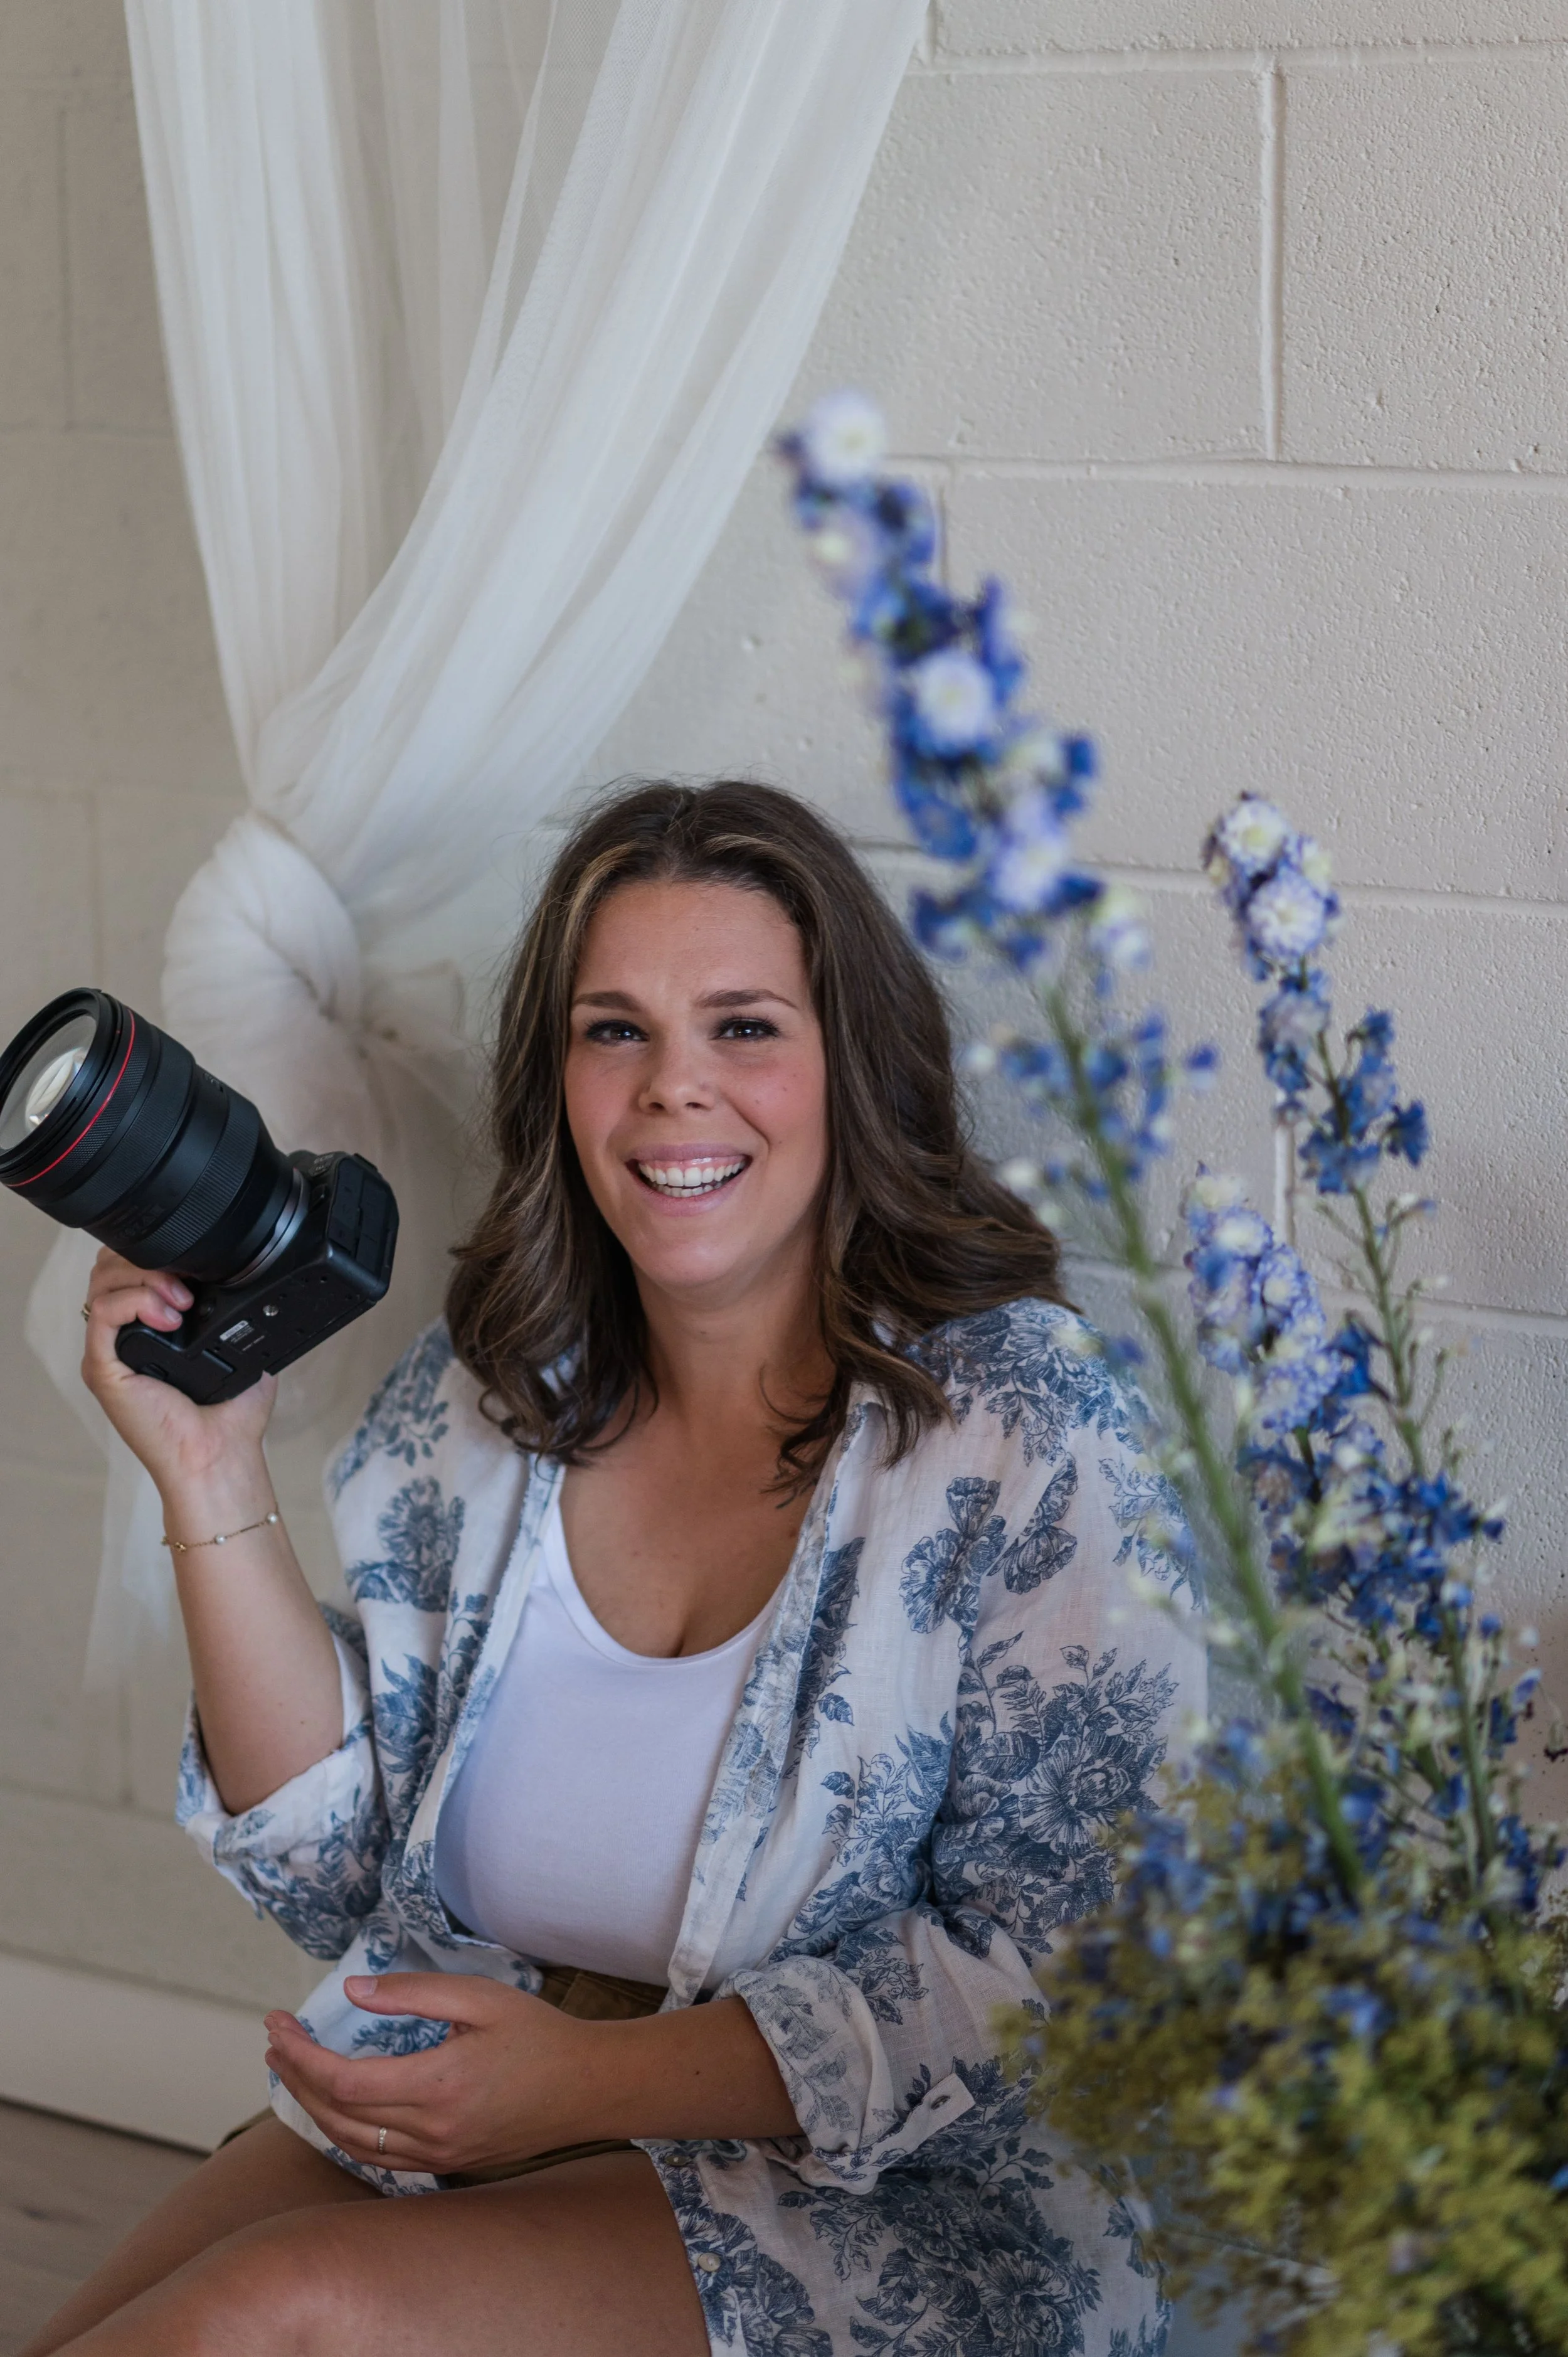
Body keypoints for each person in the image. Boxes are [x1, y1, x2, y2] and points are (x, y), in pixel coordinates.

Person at [32, 780, 1202, 2357]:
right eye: (615, 1032)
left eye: (742, 1028)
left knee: (278, 2311)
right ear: (558, 1077)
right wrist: (209, 1471)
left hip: (915, 2190)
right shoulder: (493, 1402)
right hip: (504, 2114)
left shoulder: (1015, 1425)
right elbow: (333, 1873)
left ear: (849, 1068)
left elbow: (1078, 1969)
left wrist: (581, 2085)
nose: (672, 1093)